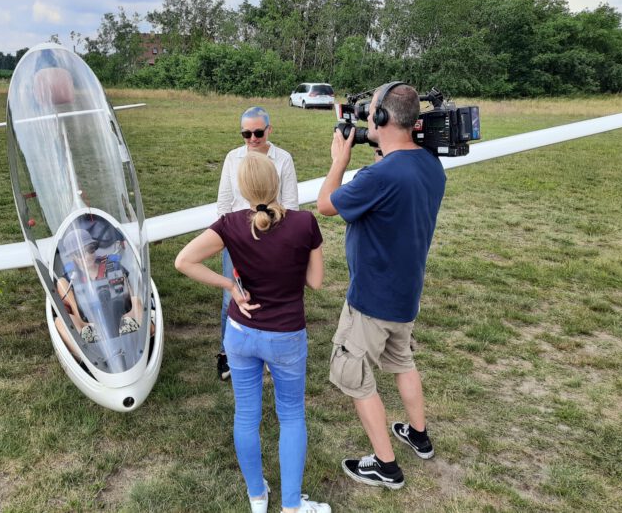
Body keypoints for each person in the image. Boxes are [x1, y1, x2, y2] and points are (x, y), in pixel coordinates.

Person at [176, 154, 329, 513]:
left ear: (242, 189)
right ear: (277, 183)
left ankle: (257, 497)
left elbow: (184, 261)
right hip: (286, 335)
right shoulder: (305, 223)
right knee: (291, 415)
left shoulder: (228, 224)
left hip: (240, 333)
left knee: (246, 415)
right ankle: (291, 505)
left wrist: (229, 285)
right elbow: (316, 282)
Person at [316, 82, 446, 490]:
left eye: (371, 112)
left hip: (371, 299)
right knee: (402, 361)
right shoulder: (430, 164)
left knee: (353, 374)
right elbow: (397, 186)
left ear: (385, 118)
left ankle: (386, 466)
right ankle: (418, 435)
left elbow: (326, 204)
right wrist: (383, 155)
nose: (367, 118)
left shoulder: (379, 175)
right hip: (406, 295)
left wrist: (338, 160)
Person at [216, 106, 299, 380]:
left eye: (258, 133)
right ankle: (228, 352)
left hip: (273, 237)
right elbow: (224, 202)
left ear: (269, 130)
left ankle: (267, 352)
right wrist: (227, 236)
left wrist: (279, 238)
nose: (252, 138)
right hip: (238, 238)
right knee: (233, 293)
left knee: (269, 293)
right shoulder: (232, 158)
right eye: (246, 133)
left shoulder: (283, 158)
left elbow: (291, 205)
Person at [53, 226, 144, 354]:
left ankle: (143, 342)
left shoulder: (114, 266)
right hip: (90, 325)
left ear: (95, 248)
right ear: (73, 256)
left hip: (122, 317)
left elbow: (130, 297)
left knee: (136, 301)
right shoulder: (68, 280)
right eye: (79, 253)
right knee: (60, 321)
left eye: (90, 250)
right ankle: (87, 355)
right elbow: (77, 312)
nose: (86, 256)